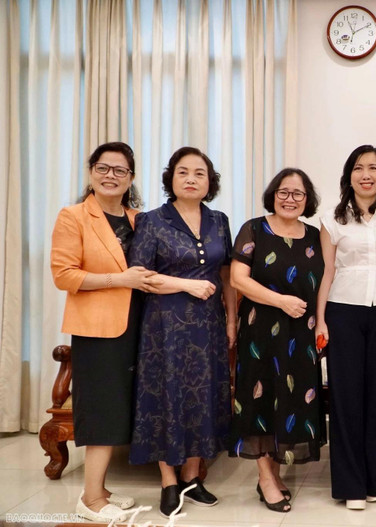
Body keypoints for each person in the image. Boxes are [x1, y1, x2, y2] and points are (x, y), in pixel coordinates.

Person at [50, 142, 158, 522]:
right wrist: (120, 278)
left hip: (140, 326)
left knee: (123, 407)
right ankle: (90, 500)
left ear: (131, 178)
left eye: (120, 170)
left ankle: (101, 489)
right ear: (91, 171)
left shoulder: (139, 219)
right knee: (101, 409)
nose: (111, 175)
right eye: (103, 168)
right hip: (97, 330)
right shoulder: (74, 216)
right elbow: (64, 275)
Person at [128, 147, 237, 518]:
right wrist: (185, 285)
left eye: (200, 173)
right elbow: (140, 276)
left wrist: (232, 319)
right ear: (171, 179)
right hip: (165, 326)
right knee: (167, 397)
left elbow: (226, 276)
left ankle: (192, 477)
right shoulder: (152, 221)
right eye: (183, 172)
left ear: (210, 181)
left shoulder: (219, 220)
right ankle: (168, 481)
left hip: (209, 324)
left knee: (203, 396)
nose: (191, 179)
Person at [315, 144, 376, 510]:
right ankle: (350, 485)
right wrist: (320, 319)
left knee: (375, 397)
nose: (366, 174)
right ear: (349, 175)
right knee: (345, 397)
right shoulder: (331, 219)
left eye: (373, 168)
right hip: (343, 311)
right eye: (359, 168)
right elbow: (327, 272)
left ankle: (375, 480)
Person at [228, 168, 325, 513]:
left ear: (307, 199)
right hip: (260, 328)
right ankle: (266, 479)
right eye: (284, 192)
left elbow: (326, 282)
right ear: (273, 194)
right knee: (261, 398)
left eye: (298, 194)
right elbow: (238, 278)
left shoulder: (315, 235)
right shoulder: (254, 228)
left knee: (290, 400)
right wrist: (280, 300)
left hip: (302, 333)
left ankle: (272, 474)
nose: (290, 199)